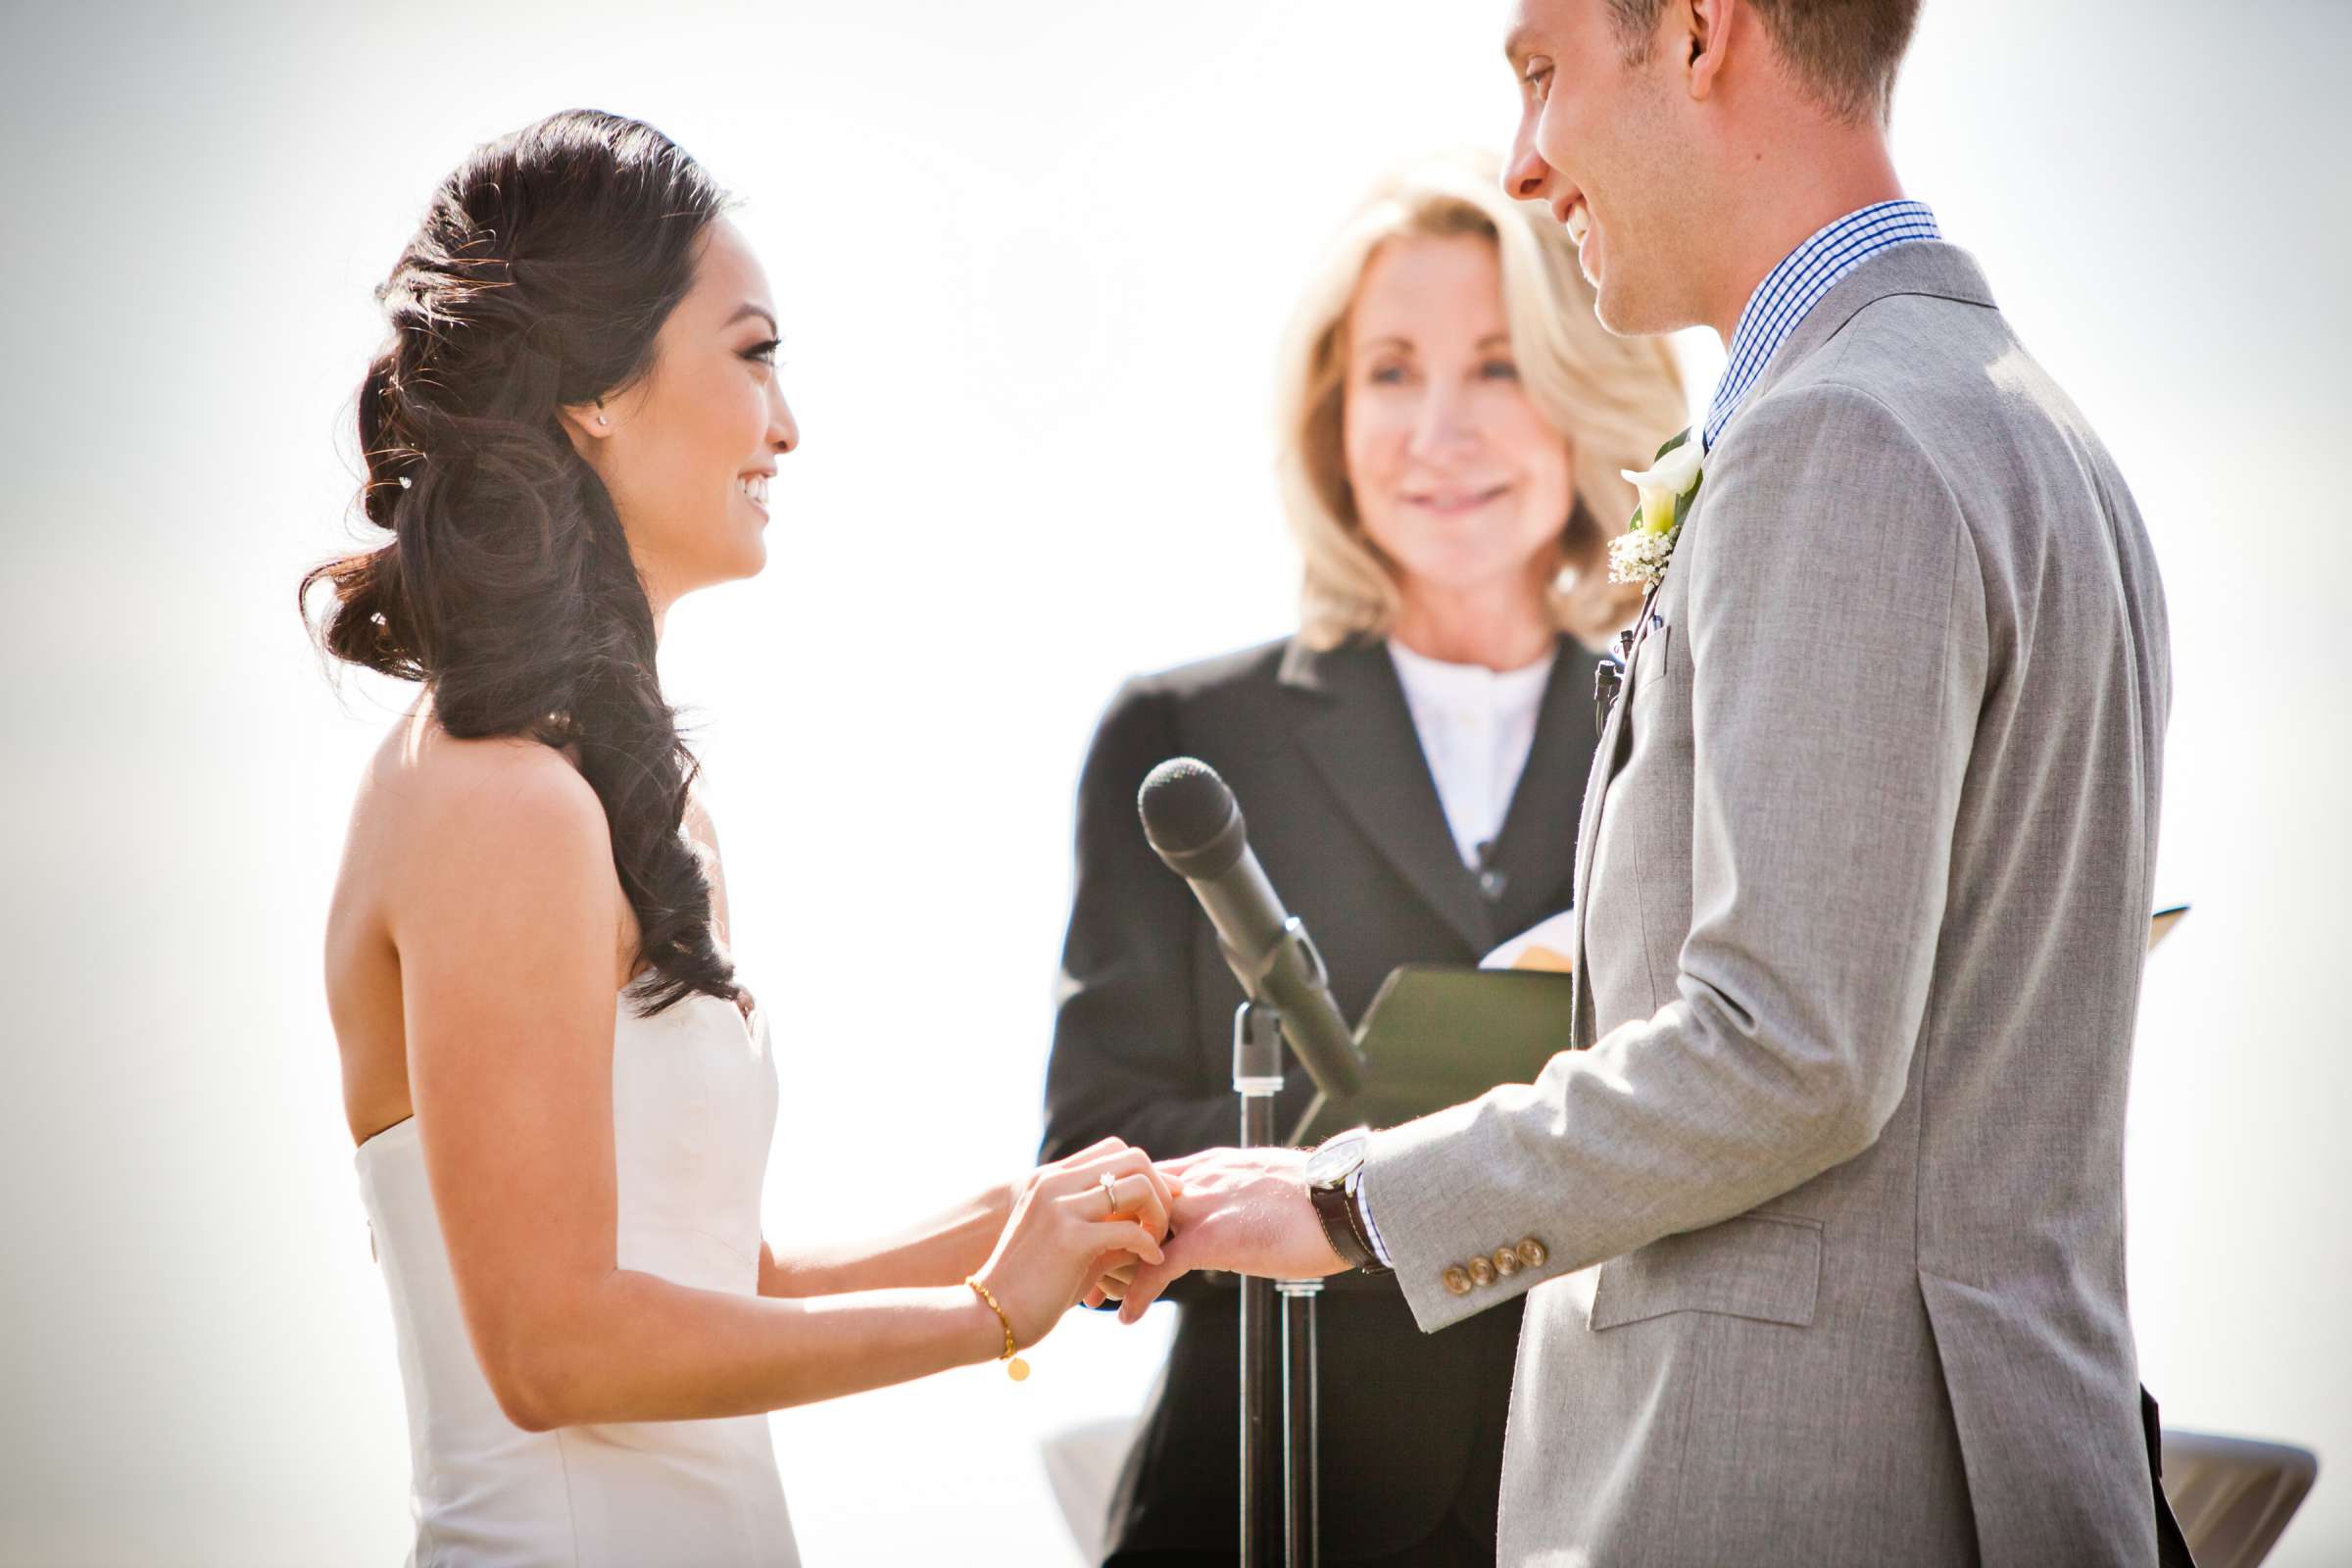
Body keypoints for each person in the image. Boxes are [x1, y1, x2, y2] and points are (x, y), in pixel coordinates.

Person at [1115, 2, 2182, 1564]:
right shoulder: (2032, 427)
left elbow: (1788, 1054)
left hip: (1799, 1487)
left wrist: (1352, 1203)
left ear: (1696, 34)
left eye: (1541, 73)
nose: (1526, 162)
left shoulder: (1840, 441)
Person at [304, 110, 1171, 1567]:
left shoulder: (631, 801)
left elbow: (726, 1277)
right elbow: (556, 1351)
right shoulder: (490, 798)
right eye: (755, 353)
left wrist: (1031, 1219)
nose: (788, 423)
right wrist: (983, 1321)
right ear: (593, 390)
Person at [1040, 154, 1686, 1565]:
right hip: (1265, 1498)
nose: (1439, 429)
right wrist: (1391, 1133)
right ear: (1331, 416)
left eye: (1500, 369)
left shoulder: (1681, 730)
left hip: (1596, 1499)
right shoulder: (1187, 735)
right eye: (1392, 372)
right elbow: (1089, 1161)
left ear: (1581, 396)